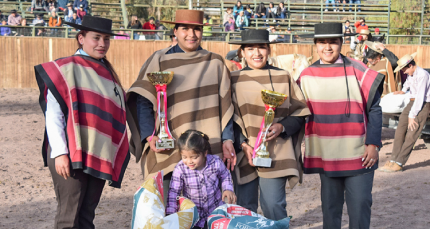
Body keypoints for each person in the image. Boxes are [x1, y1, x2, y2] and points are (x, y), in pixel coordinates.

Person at [126, 9, 235, 204]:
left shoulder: (215, 62)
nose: (191, 34)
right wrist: (149, 136)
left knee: (206, 206)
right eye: (185, 28)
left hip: (206, 148)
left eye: (197, 29)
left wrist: (228, 139)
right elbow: (143, 100)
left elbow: (226, 104)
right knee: (170, 206)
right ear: (175, 31)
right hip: (168, 147)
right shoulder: (159, 59)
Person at [34, 15, 130, 229]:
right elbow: (54, 114)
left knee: (87, 216)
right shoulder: (64, 69)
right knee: (69, 217)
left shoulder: (108, 75)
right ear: (81, 38)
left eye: (106, 39)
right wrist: (59, 153)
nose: (102, 44)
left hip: (98, 153)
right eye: (96, 38)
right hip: (69, 152)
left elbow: (117, 107)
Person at [297, 22, 384, 229]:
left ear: (341, 43)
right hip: (327, 155)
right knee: (330, 208)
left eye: (333, 42)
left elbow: (375, 108)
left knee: (360, 206)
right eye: (322, 42)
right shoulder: (306, 75)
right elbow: (296, 113)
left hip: (359, 154)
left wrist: (373, 143)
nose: (327, 47)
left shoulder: (358, 69)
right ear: (315, 45)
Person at [228, 29, 310, 219]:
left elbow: (300, 111)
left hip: (276, 152)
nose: (256, 53)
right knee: (245, 208)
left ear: (269, 50)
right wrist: (242, 143)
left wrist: (283, 127)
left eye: (262, 48)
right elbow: (227, 117)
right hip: (243, 153)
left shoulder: (283, 77)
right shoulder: (233, 79)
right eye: (250, 48)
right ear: (242, 52)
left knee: (273, 206)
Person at [166, 130, 236, 229]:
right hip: (194, 218)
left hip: (216, 214)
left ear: (205, 153)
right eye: (184, 157)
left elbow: (225, 175)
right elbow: (173, 192)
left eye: (194, 157)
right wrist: (171, 216)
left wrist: (227, 189)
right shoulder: (180, 169)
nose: (189, 161)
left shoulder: (215, 162)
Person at [379, 53, 430, 172]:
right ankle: (393, 159)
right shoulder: (412, 74)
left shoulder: (423, 75)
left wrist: (412, 115)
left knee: (412, 133)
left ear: (411, 65)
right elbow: (408, 83)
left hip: (423, 104)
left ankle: (399, 162)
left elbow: (420, 97)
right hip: (412, 102)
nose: (405, 72)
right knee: (400, 129)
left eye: (405, 69)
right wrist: (402, 90)